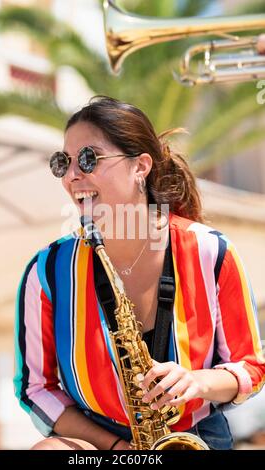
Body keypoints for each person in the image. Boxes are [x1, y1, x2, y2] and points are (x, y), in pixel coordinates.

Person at [14, 96, 265, 451]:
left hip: (194, 436)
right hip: (101, 443)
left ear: (140, 166)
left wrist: (196, 381)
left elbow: (251, 366)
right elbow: (36, 389)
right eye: (62, 163)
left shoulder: (211, 251)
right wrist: (117, 448)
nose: (72, 176)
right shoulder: (48, 271)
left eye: (88, 159)